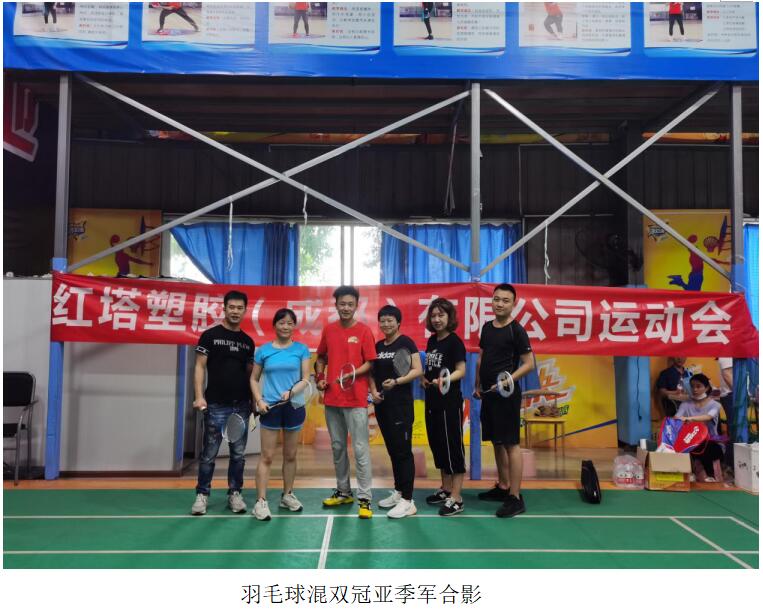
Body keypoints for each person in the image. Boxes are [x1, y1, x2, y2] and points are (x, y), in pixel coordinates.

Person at [474, 283, 536, 518]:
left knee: (511, 444)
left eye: (505, 300)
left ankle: (515, 497)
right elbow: (481, 358)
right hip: (488, 394)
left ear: (513, 304)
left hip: (507, 395)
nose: (499, 304)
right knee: (497, 442)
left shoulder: (516, 330)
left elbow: (529, 364)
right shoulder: (487, 327)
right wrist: (477, 385)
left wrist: (507, 380)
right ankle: (503, 486)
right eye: (496, 299)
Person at [315, 286, 377, 519]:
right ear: (336, 305)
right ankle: (343, 491)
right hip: (332, 398)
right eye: (342, 303)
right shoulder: (329, 330)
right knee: (338, 447)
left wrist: (351, 374)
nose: (346, 308)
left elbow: (370, 363)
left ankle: (365, 498)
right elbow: (321, 357)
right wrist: (320, 377)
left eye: (350, 304)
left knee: (360, 448)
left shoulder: (364, 331)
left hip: (356, 399)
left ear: (356, 305)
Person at [191, 290, 255, 516]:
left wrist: (253, 401)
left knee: (238, 454)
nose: (235, 311)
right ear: (224, 308)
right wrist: (199, 396)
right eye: (232, 307)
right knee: (209, 454)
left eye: (240, 308)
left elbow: (251, 375)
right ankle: (202, 494)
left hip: (241, 405)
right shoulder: (209, 336)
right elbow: (199, 367)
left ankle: (235, 493)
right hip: (215, 404)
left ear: (245, 311)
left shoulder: (248, 342)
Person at [249, 308, 311, 521]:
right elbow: (253, 379)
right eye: (281, 323)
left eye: (290, 323)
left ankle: (287, 495)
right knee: (267, 456)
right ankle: (261, 501)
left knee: (290, 455)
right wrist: (259, 400)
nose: (285, 326)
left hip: (294, 406)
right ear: (274, 325)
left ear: (294, 326)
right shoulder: (264, 351)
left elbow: (305, 379)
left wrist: (292, 392)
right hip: (270, 407)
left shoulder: (301, 350)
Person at [369, 305, 423, 519]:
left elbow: (417, 370)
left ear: (398, 322)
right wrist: (374, 391)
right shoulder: (378, 345)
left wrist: (397, 381)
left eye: (390, 320)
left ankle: (408, 501)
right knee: (393, 451)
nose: (386, 324)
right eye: (382, 320)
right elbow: (372, 373)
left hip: (401, 406)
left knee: (403, 452)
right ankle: (399, 492)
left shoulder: (406, 342)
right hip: (383, 405)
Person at [421, 298, 467, 516]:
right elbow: (431, 369)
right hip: (432, 401)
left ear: (450, 317)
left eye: (441, 315)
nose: (437, 319)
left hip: (449, 403)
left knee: (453, 448)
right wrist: (424, 378)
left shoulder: (455, 342)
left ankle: (456, 497)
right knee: (438, 446)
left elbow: (461, 370)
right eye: (433, 315)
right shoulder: (432, 341)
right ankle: (446, 488)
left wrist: (444, 380)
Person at [675, 373, 725, 482]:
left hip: (711, 442)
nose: (695, 389)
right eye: (692, 386)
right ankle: (692, 475)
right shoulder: (685, 404)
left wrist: (689, 419)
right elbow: (677, 418)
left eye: (698, 386)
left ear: (706, 388)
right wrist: (678, 420)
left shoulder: (715, 405)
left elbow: (708, 417)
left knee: (705, 448)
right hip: (689, 441)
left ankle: (710, 476)